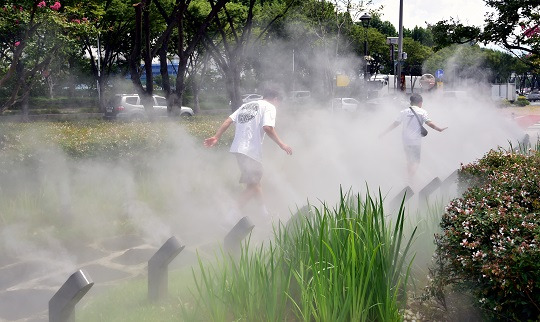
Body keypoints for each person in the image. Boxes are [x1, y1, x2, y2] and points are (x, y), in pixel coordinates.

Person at [204, 88, 293, 221]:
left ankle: (264, 214)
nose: (278, 105)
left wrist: (217, 137)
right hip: (250, 151)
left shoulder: (247, 105)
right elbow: (268, 127)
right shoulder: (270, 107)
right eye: (278, 102)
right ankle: (229, 217)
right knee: (252, 186)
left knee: (255, 184)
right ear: (275, 99)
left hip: (238, 149)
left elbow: (228, 120)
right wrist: (282, 144)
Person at [380, 93, 447, 177]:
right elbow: (429, 123)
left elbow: (394, 124)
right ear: (420, 102)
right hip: (415, 141)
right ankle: (410, 177)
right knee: (416, 162)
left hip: (406, 140)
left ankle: (409, 179)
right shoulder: (422, 112)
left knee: (409, 161)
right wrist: (439, 129)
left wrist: (384, 133)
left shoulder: (403, 112)